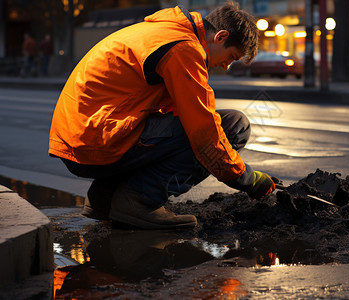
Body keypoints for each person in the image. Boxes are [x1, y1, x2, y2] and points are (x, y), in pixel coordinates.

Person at [48, 2, 277, 230]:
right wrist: (247, 179)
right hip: (96, 141)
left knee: (178, 130)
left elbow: (169, 113)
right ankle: (139, 200)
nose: (226, 66)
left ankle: (105, 198)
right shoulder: (184, 48)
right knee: (234, 127)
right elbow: (204, 134)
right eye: (231, 56)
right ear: (221, 36)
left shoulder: (164, 32)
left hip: (85, 137)